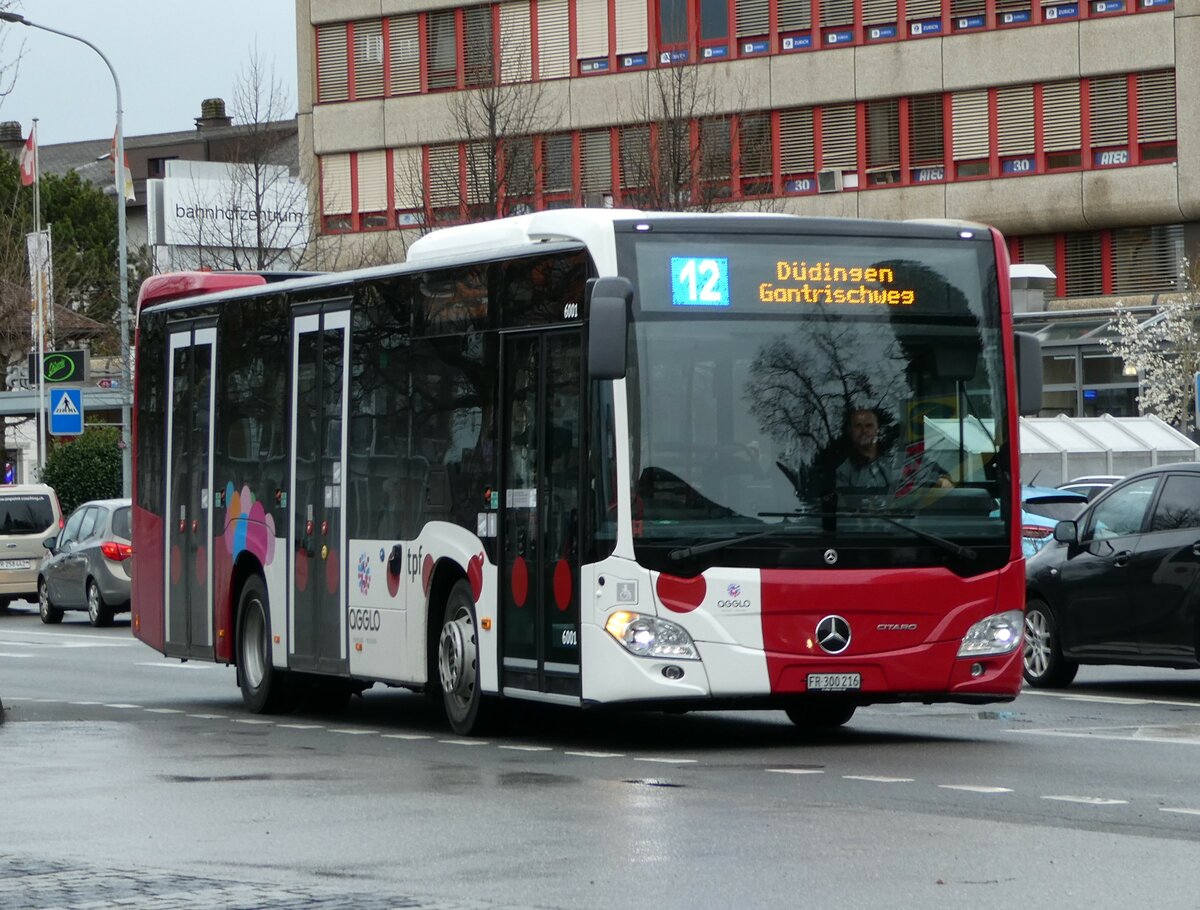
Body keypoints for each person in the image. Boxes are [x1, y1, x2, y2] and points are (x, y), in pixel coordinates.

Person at [835, 407, 953, 494]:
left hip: (901, 523)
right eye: (858, 426)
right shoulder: (843, 471)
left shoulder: (899, 459)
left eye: (869, 425)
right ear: (850, 430)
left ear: (877, 429)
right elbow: (843, 508)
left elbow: (934, 475)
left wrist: (942, 480)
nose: (864, 430)